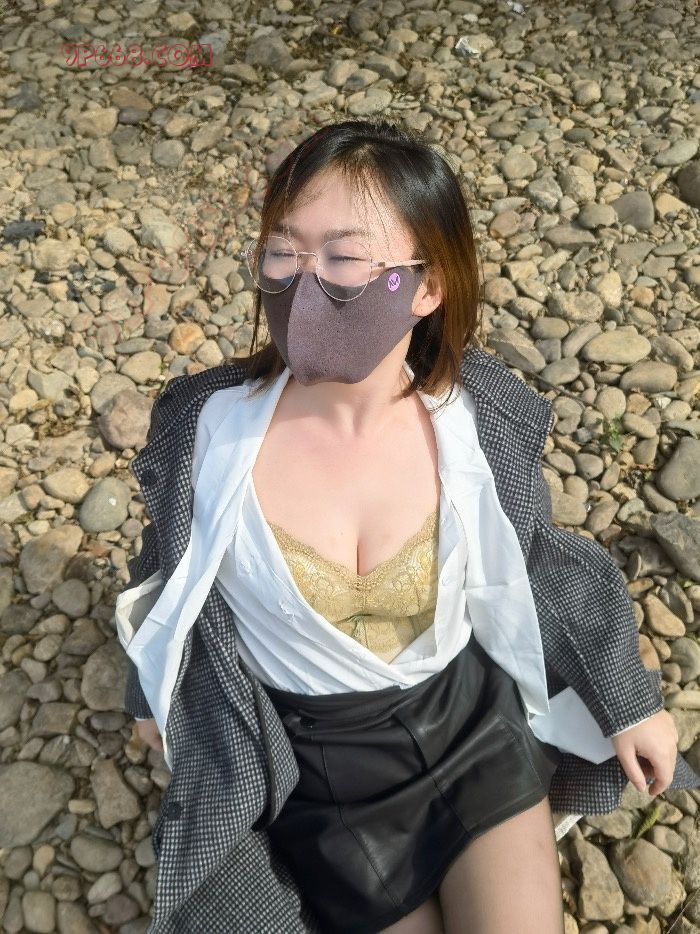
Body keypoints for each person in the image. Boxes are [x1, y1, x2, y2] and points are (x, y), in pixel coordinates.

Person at [123, 119, 691, 934]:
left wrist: (628, 701)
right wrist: (150, 689)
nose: (304, 284)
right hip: (318, 773)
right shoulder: (204, 434)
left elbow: (540, 562)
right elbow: (163, 572)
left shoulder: (472, 421)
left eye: (344, 258)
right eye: (283, 252)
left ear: (427, 287)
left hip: (470, 728)